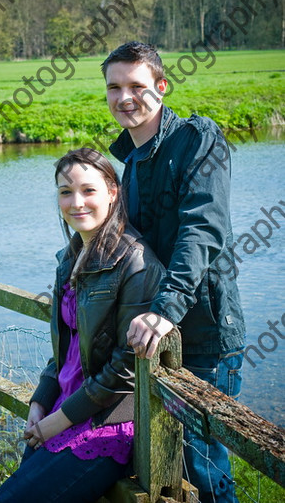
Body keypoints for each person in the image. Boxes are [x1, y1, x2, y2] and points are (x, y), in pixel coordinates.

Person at [101, 42, 246, 503]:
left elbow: (203, 229)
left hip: (201, 334)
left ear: (161, 87)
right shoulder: (130, 164)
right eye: (114, 87)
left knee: (204, 471)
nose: (126, 97)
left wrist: (165, 308)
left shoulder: (197, 139)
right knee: (164, 463)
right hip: (157, 337)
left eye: (137, 86)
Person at [0, 148, 164, 503]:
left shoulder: (136, 263)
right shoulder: (70, 257)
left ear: (113, 192)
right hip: (64, 411)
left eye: (88, 190)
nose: (76, 202)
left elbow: (128, 366)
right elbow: (67, 349)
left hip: (108, 423)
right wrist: (42, 401)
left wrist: (62, 419)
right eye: (65, 191)